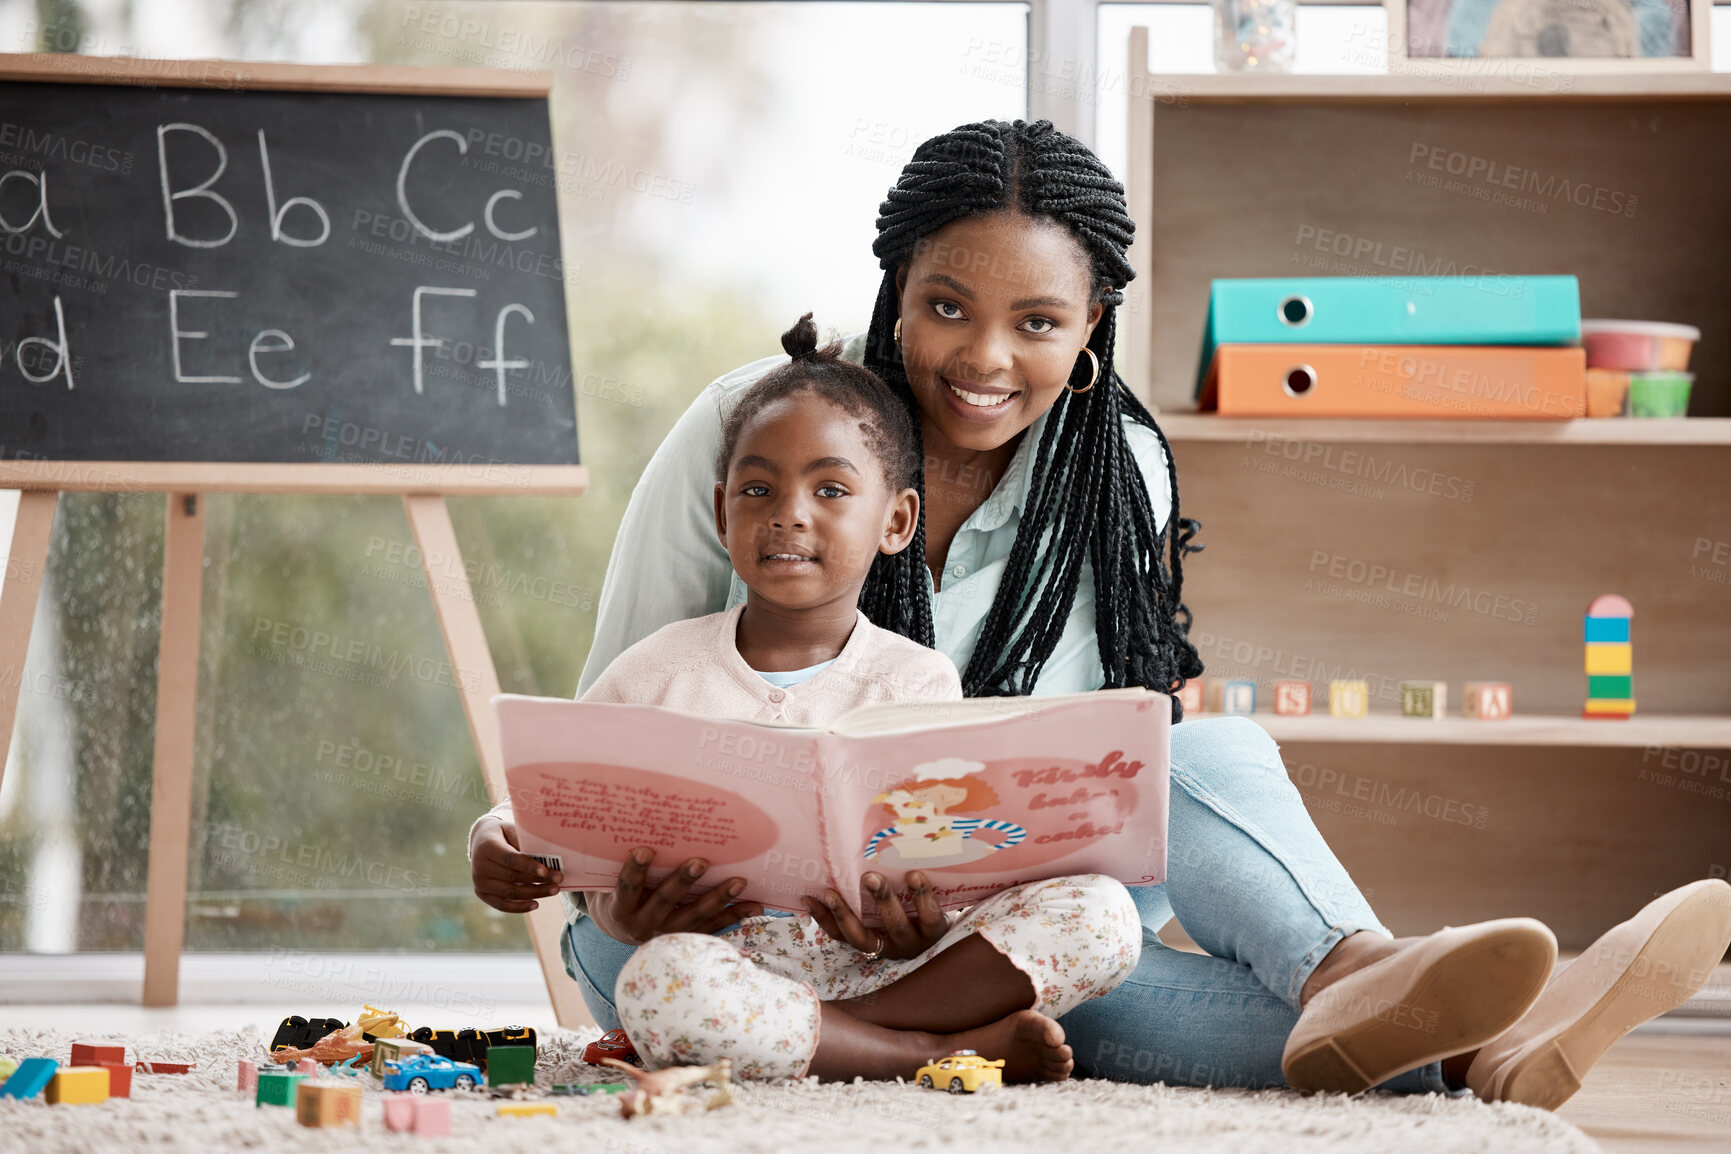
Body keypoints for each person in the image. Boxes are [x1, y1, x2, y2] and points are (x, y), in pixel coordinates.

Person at [471, 119, 1731, 1105]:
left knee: (1201, 753)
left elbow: (1107, 791)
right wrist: (616, 885)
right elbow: (604, 748)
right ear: (895, 289)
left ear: (1086, 338)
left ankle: (1357, 970)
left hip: (981, 927)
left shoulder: (1111, 466)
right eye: (947, 305)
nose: (982, 358)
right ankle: (1489, 1045)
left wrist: (951, 891)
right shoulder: (767, 427)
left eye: (1035, 323)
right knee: (1045, 1009)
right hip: (704, 939)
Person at [473, 314, 1142, 1083]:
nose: (789, 511)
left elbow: (946, 863)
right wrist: (493, 839)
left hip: (890, 975)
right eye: (758, 489)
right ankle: (925, 1055)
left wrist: (917, 927)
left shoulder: (918, 681)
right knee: (658, 991)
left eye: (830, 488)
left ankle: (837, 1037)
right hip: (722, 972)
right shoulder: (657, 670)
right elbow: (555, 805)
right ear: (724, 513)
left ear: (894, 521)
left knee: (1100, 911)